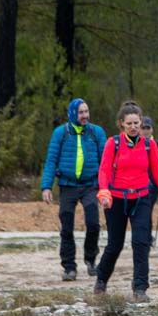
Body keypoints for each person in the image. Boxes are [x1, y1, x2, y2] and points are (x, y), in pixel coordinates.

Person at [95, 101, 158, 300]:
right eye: (129, 123)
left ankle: (140, 288)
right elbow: (104, 170)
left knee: (141, 243)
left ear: (141, 124)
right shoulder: (112, 143)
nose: (133, 127)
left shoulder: (149, 145)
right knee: (115, 244)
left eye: (136, 123)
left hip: (141, 199)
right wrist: (103, 192)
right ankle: (101, 280)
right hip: (116, 200)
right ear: (121, 124)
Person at [41, 98, 108, 281]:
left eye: (86, 111)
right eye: (81, 112)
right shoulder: (60, 133)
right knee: (67, 226)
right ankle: (69, 267)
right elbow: (51, 161)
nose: (85, 115)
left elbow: (105, 162)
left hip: (90, 185)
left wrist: (106, 187)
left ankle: (90, 258)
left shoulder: (97, 133)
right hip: (67, 185)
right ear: (72, 114)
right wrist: (47, 186)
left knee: (93, 223)